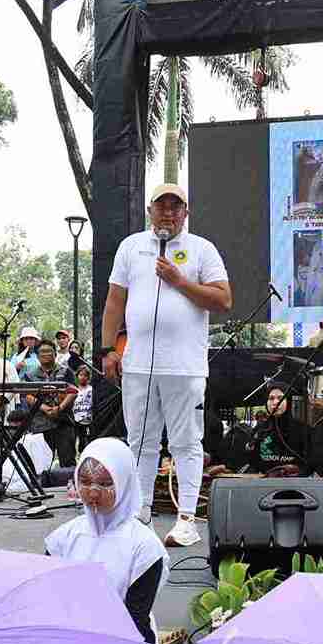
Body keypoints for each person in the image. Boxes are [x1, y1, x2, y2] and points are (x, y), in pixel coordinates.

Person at [101, 182, 232, 547]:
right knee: (140, 441)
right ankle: (140, 514)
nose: (168, 213)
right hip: (138, 364)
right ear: (150, 210)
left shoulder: (201, 249)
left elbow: (223, 299)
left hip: (184, 366)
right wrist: (108, 348)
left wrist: (179, 281)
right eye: (162, 206)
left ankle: (186, 518)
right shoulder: (131, 247)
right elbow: (114, 302)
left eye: (176, 207)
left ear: (185, 213)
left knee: (186, 443)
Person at [42, 438, 168, 644]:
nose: (93, 492)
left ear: (124, 482)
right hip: (71, 639)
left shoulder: (144, 546)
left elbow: (134, 622)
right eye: (85, 482)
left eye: (104, 483)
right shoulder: (65, 537)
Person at [24, 340, 80, 466]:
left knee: (68, 461)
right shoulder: (30, 375)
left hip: (63, 422)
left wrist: (59, 408)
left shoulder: (66, 371)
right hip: (40, 424)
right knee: (41, 464)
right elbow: (27, 396)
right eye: (42, 352)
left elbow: (73, 391)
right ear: (37, 355)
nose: (45, 354)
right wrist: (45, 408)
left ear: (55, 353)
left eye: (49, 351)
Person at [248, 382, 310, 474]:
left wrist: (299, 470)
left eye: (280, 398)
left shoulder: (302, 429)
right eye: (271, 398)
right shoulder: (259, 430)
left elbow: (310, 463)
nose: (275, 402)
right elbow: (252, 462)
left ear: (288, 401)